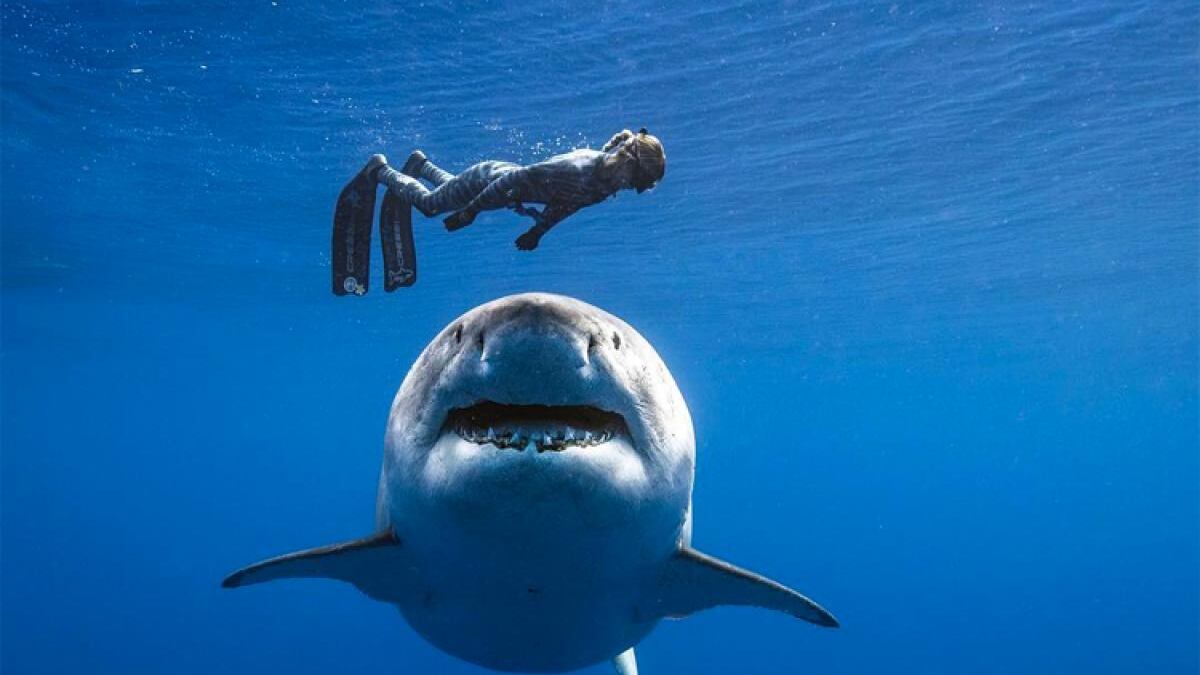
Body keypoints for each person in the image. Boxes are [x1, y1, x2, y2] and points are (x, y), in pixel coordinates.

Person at [365, 128, 665, 251]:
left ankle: (421, 166)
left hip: (500, 186)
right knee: (431, 205)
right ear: (629, 164)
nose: (629, 188)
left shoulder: (603, 183)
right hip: (490, 180)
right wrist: (469, 213)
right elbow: (511, 181)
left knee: (452, 190)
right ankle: (380, 170)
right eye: (635, 181)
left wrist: (538, 232)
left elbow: (566, 205)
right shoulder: (579, 171)